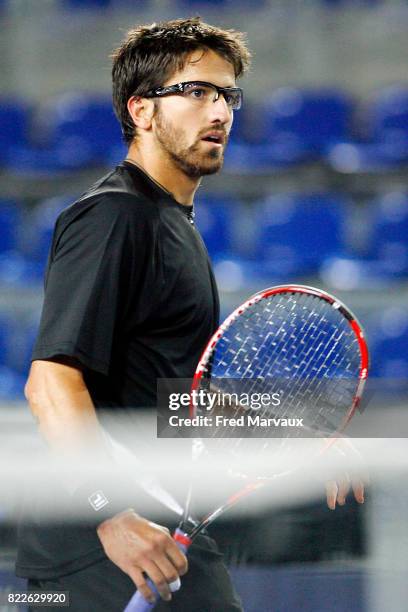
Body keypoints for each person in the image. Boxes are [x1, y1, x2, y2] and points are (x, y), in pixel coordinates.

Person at [16, 16, 364, 612]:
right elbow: (50, 384)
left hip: (158, 537)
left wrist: (300, 430)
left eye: (228, 94)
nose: (220, 111)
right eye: (196, 91)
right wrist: (111, 514)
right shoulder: (114, 217)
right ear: (142, 111)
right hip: (102, 548)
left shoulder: (172, 224)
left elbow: (171, 396)